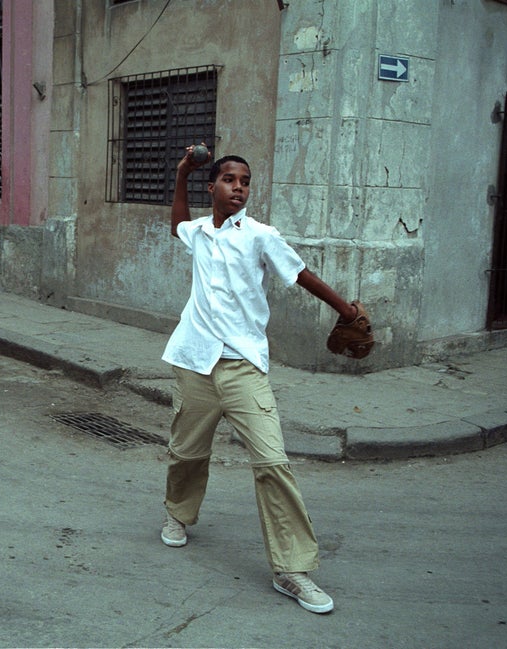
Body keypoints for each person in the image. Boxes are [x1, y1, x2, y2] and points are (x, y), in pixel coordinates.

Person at [159, 146, 362, 615]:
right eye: (229, 179)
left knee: (272, 460)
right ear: (213, 187)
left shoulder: (260, 236)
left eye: (245, 181)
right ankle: (178, 514)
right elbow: (177, 224)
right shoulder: (198, 232)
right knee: (186, 452)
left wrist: (345, 309)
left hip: (244, 365)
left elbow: (301, 274)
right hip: (193, 362)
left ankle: (292, 570)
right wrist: (181, 174)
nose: (239, 188)